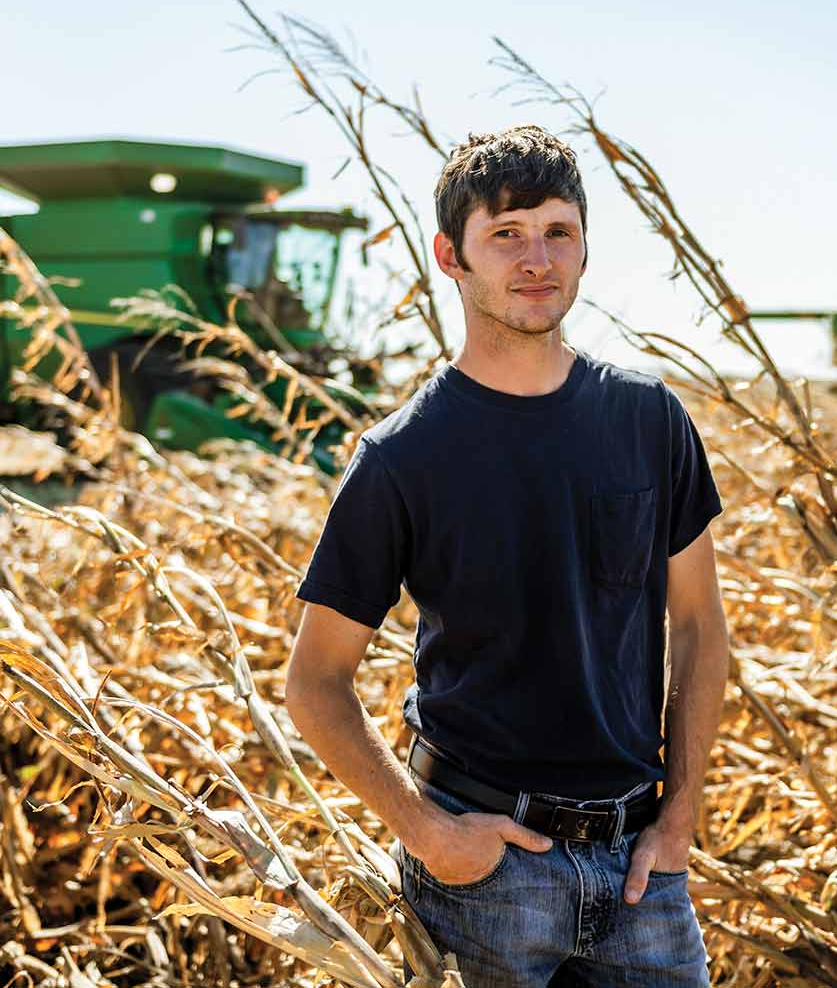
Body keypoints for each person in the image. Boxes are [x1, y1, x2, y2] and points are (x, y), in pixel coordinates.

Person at [286, 125, 729, 987]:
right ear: (452, 255)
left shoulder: (649, 420)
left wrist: (678, 819)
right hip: (484, 877)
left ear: (586, 248)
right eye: (507, 234)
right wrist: (429, 835)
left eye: (559, 231)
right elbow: (315, 682)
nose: (537, 258)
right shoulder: (401, 456)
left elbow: (700, 624)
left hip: (642, 871)